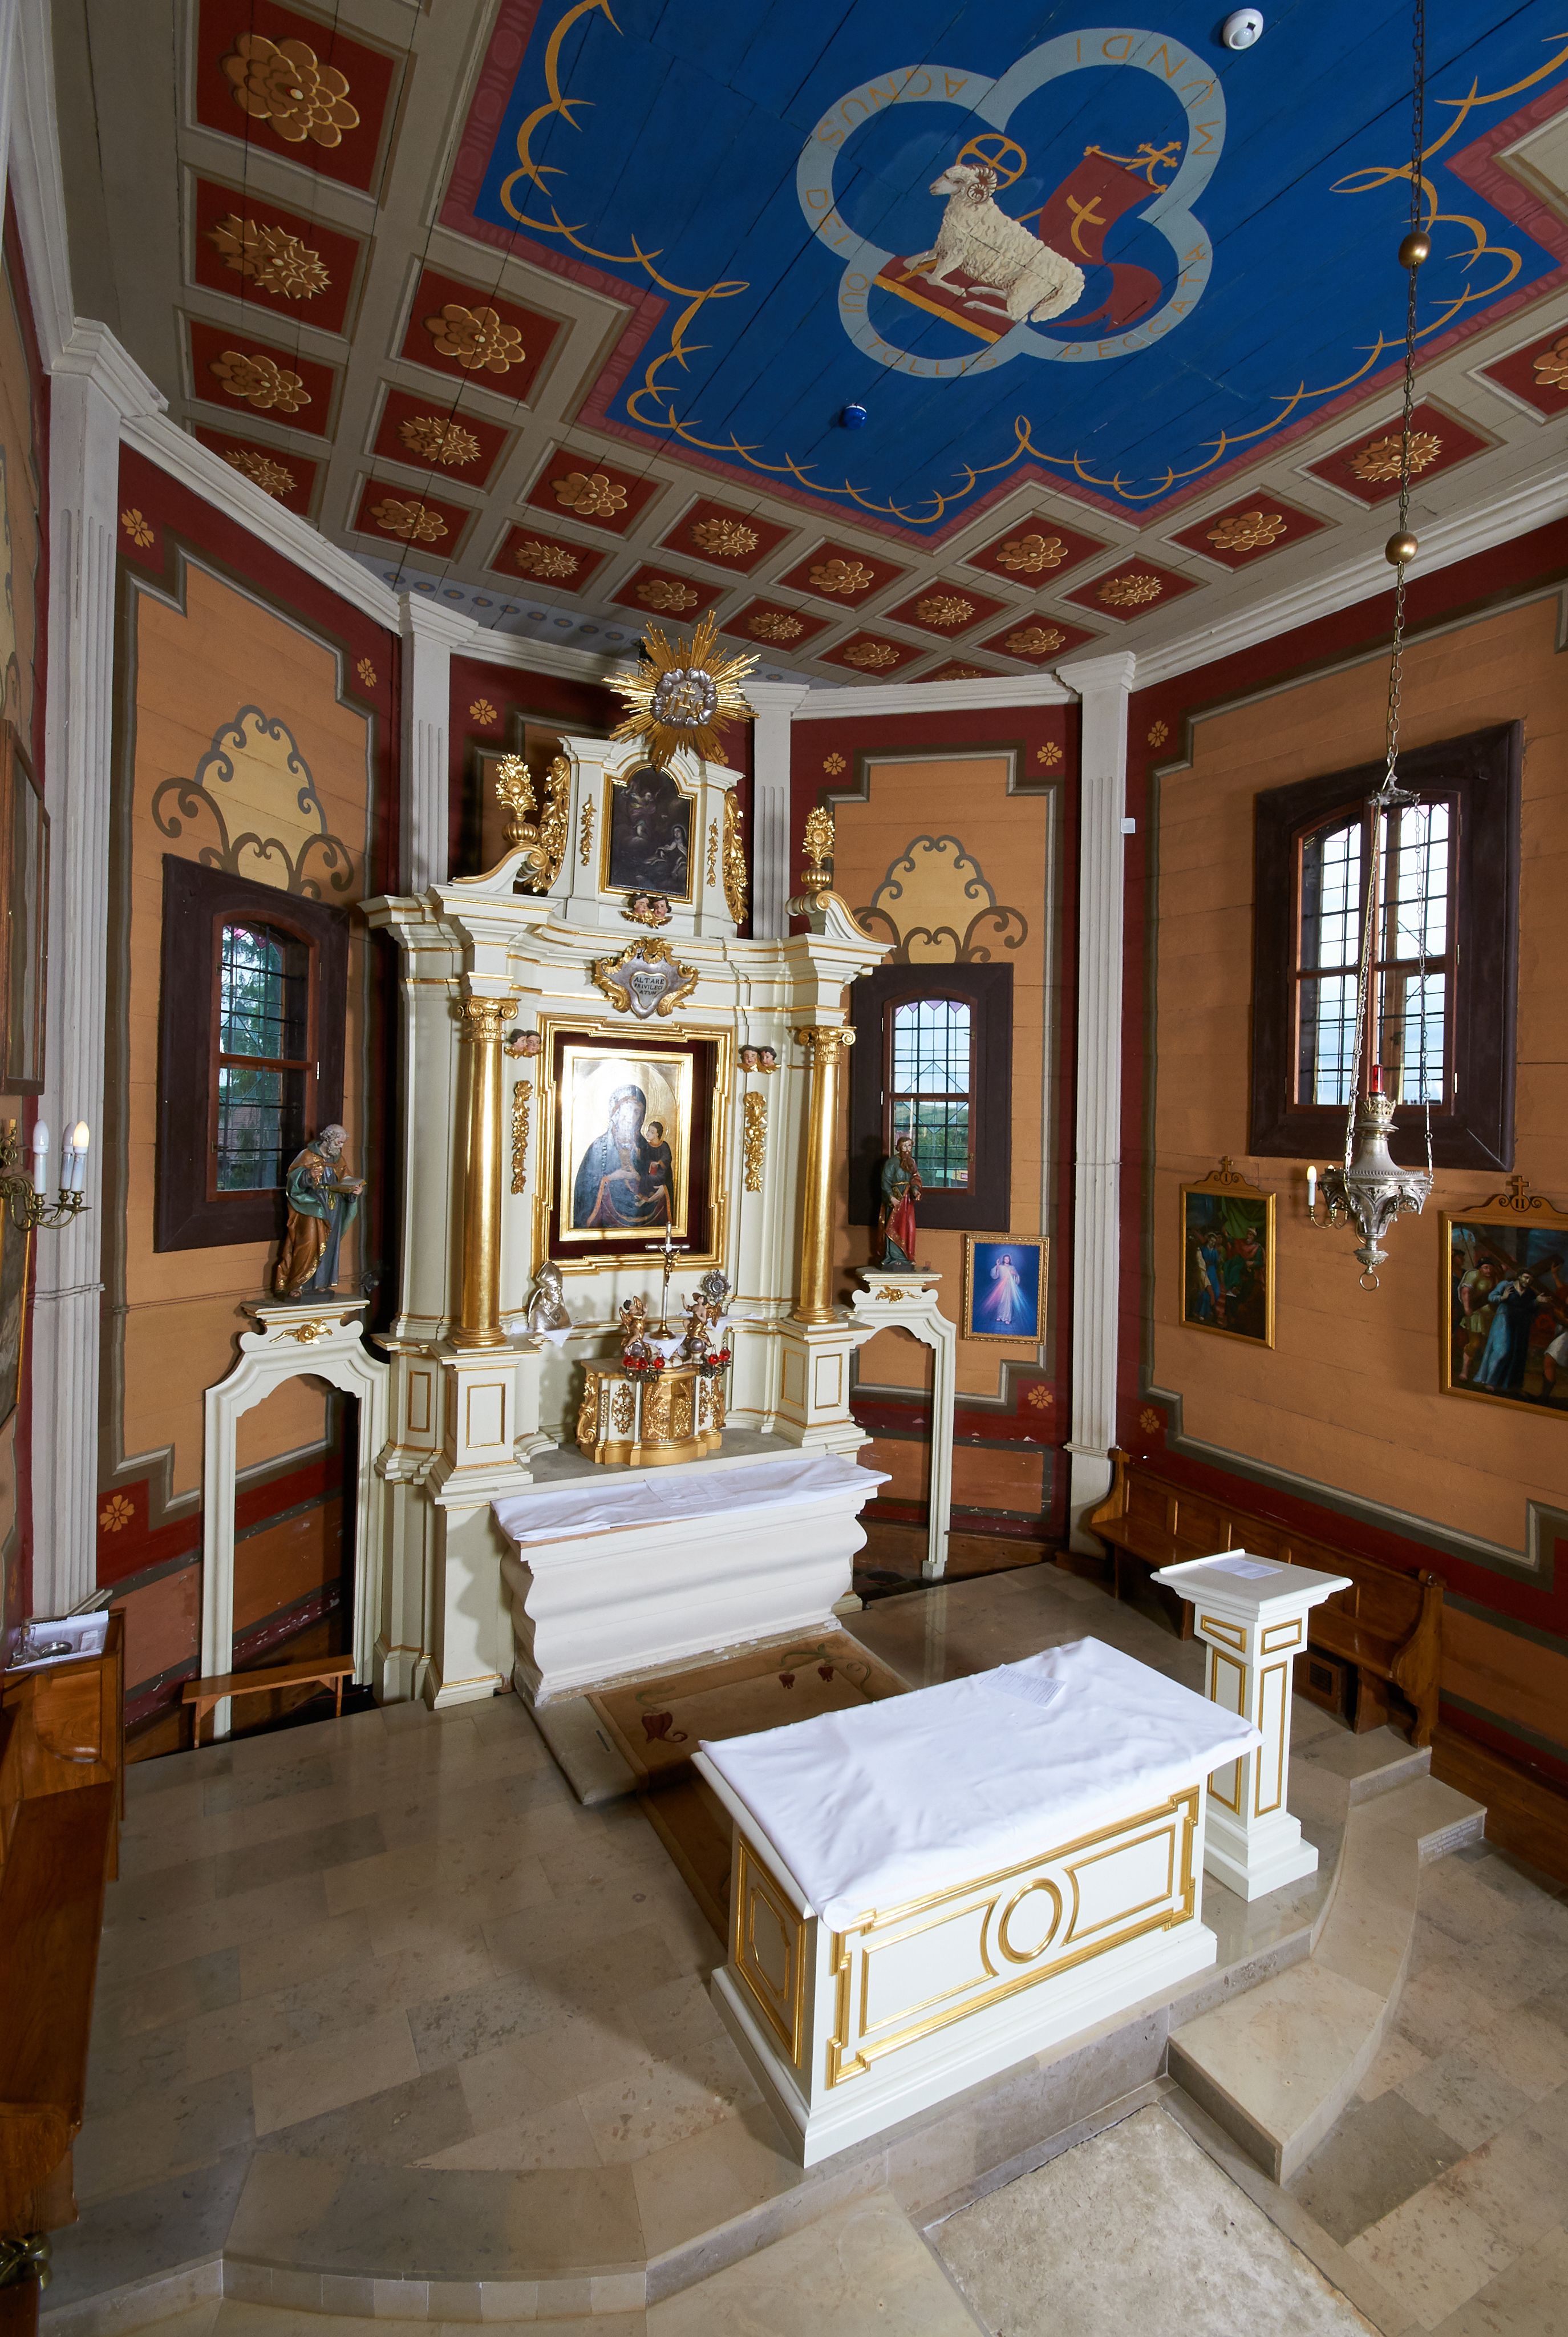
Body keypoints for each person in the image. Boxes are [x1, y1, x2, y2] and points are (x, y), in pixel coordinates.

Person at [273, 1124, 364, 1299]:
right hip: (311, 1207)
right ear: (328, 1138)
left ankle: (321, 1283)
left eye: (343, 1143)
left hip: (333, 1207)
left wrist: (354, 1191)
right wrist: (308, 1176)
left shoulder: (339, 1160)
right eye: (338, 1142)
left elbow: (346, 1180)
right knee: (307, 1244)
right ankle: (297, 1283)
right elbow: (292, 1179)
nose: (340, 1146)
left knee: (329, 1245)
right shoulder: (307, 1156)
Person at [572, 1084, 671, 1230]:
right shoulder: (600, 1147)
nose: (631, 1117)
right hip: (608, 1216)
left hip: (646, 1209)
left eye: (637, 1112)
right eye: (627, 1109)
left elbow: (664, 1177)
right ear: (616, 1111)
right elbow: (585, 1187)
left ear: (641, 1117)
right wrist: (611, 1178)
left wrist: (664, 1189)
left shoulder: (647, 1147)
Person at [877, 1133, 922, 1267]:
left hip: (907, 1200)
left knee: (908, 1227)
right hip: (896, 1199)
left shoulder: (912, 1162)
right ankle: (892, 1257)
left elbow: (915, 1178)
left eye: (909, 1146)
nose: (907, 1149)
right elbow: (885, 1181)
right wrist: (891, 1197)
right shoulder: (892, 1162)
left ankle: (906, 1256)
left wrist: (915, 1190)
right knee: (894, 1226)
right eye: (904, 1146)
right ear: (899, 1148)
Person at [982, 1248, 1027, 1329]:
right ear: (1003, 1260)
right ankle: (1000, 1316)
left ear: (1010, 1260)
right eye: (1005, 1259)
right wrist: (997, 1266)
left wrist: (1015, 1274)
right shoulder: (1001, 1267)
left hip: (1009, 1286)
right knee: (1001, 1301)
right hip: (1001, 1286)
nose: (1007, 1260)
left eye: (1008, 1259)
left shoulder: (1012, 1267)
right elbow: (995, 1275)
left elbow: (1017, 1276)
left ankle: (1007, 1318)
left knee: (1008, 1302)